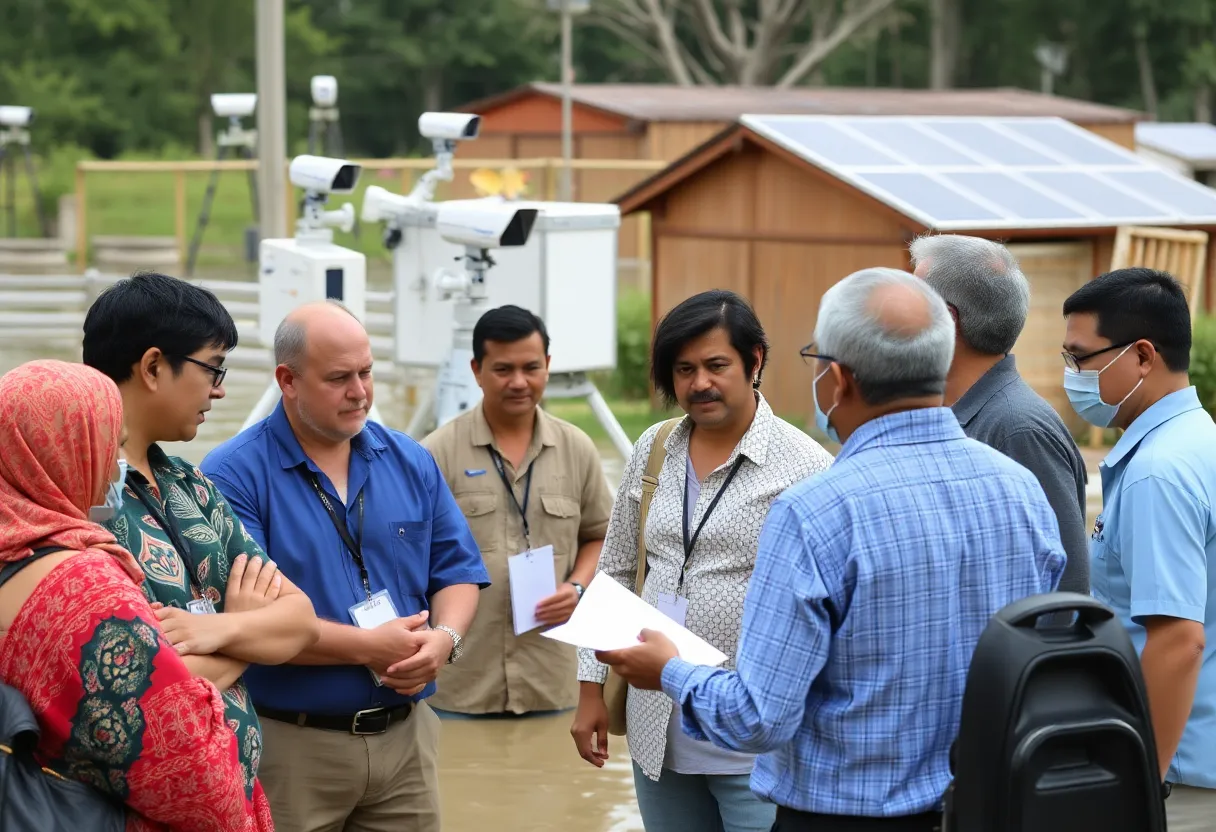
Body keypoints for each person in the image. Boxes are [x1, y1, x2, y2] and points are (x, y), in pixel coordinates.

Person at [599, 268, 1066, 831]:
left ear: (837, 378)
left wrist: (671, 672)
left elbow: (759, 718)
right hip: (980, 803)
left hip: (843, 811)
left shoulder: (816, 507)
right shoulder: (1019, 490)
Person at [202, 300, 490, 832]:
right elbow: (251, 625)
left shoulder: (408, 459)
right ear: (287, 380)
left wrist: (444, 638)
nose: (360, 391)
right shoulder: (232, 477)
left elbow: (457, 572)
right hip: (292, 748)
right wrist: (371, 648)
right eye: (339, 378)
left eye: (366, 372)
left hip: (407, 743)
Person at [571, 290, 833, 832]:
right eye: (684, 369)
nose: (699, 384)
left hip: (754, 743)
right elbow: (617, 568)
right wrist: (590, 689)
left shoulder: (808, 466)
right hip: (656, 725)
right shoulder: (656, 446)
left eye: (716, 365)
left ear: (754, 360)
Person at [0, 359, 274, 831]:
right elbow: (197, 779)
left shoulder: (14, 554)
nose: (116, 465)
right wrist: (243, 637)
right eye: (112, 444)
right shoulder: (83, 588)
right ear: (70, 452)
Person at [81, 271, 321, 807]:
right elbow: (133, 691)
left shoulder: (190, 484)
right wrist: (245, 639)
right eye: (212, 368)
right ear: (152, 366)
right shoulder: (77, 494)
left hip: (225, 796)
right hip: (130, 806)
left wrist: (213, 630)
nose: (220, 388)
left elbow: (299, 621)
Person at [1062, 268, 1216, 831]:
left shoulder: (1160, 471)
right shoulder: (1199, 441)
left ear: (1143, 356)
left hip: (1177, 782)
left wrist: (1137, 784)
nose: (1071, 375)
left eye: (1081, 358)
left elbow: (1178, 641)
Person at [422, 305, 613, 715]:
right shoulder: (435, 453)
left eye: (531, 367)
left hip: (553, 679)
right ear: (476, 370)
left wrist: (577, 588)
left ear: (547, 365)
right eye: (503, 369)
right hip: (461, 686)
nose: (519, 382)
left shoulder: (577, 448)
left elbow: (602, 534)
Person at [912, 234, 1089, 594]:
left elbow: (1064, 593)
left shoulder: (1016, 429)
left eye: (910, 303)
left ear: (946, 320)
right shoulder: (963, 415)